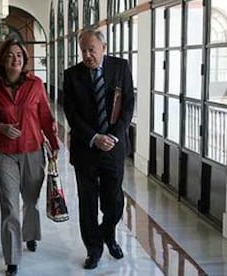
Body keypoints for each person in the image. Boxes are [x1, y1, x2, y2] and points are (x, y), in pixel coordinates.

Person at [0, 38, 59, 276]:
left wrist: (54, 143)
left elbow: (46, 116)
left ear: (24, 60)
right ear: (2, 61)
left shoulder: (36, 84)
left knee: (30, 200)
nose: (15, 59)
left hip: (33, 150)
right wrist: (0, 128)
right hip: (4, 153)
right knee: (9, 206)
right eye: (9, 55)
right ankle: (12, 258)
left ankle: (30, 236)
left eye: (19, 55)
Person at [63, 29, 134, 270]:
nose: (87, 55)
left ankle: (108, 232)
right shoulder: (72, 75)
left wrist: (113, 136)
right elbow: (71, 113)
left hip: (113, 148)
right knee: (88, 202)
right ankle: (93, 249)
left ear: (103, 47)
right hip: (86, 149)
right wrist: (94, 137)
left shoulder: (120, 68)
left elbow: (128, 105)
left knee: (114, 200)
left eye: (91, 50)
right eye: (83, 50)